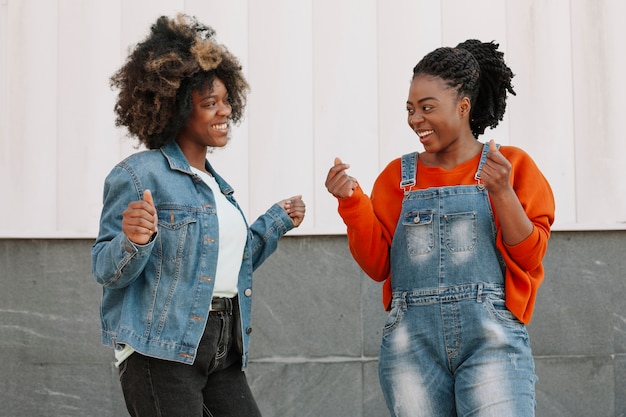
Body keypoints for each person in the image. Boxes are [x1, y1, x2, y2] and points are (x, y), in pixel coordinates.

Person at [325, 40, 554, 416]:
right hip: (410, 346)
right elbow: (380, 266)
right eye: (411, 109)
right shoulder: (398, 177)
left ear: (463, 106)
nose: (416, 119)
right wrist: (350, 202)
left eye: (428, 108)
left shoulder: (510, 165)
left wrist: (501, 192)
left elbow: (530, 256)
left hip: (491, 341)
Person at [91, 14, 305, 417]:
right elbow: (105, 268)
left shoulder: (217, 187)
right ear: (175, 108)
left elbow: (227, 265)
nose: (224, 111)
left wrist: (277, 221)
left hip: (223, 344)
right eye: (210, 103)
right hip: (161, 347)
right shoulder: (139, 175)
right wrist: (133, 242)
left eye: (226, 101)